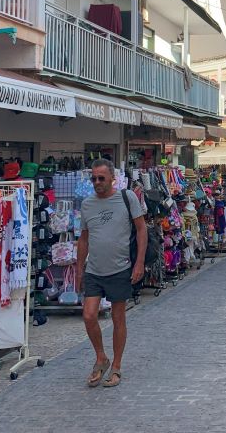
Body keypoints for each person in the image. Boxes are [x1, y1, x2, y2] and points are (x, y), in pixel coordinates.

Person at [77, 159, 147, 389]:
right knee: (89, 315)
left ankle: (116, 366)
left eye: (101, 178)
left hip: (120, 268)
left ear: (111, 178)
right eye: (94, 178)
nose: (97, 182)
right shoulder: (87, 205)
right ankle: (101, 357)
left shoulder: (127, 198)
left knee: (118, 319)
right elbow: (84, 238)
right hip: (94, 270)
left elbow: (141, 229)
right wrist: (79, 268)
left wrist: (139, 263)